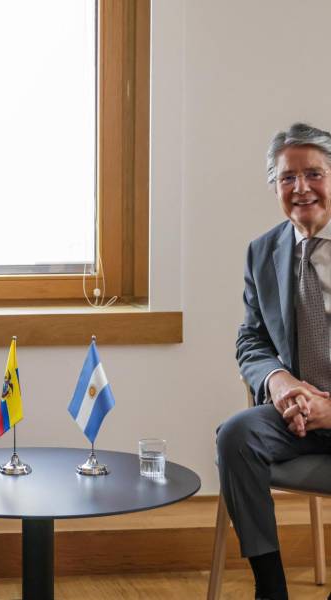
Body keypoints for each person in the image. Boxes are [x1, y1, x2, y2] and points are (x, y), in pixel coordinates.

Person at [217, 122, 331, 600]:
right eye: (287, 178)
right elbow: (251, 339)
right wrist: (280, 382)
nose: (301, 188)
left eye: (314, 174)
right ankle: (270, 587)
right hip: (295, 415)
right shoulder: (263, 251)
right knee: (235, 435)